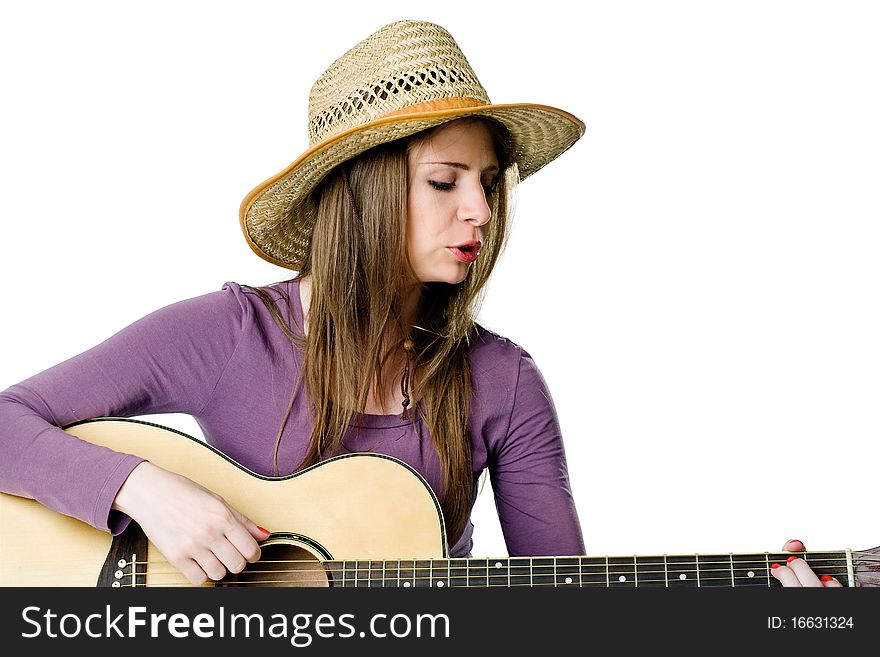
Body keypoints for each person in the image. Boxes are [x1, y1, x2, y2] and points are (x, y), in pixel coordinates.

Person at [0, 19, 835, 588]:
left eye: (487, 184)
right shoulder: (228, 333)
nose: (480, 209)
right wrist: (139, 488)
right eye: (444, 181)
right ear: (362, 194)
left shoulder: (503, 380)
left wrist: (764, 607)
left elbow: (575, 609)